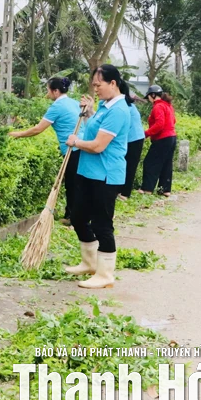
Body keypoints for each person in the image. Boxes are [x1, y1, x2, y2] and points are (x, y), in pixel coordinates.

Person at [64, 64, 131, 289]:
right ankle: (89, 263)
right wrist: (89, 113)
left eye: (98, 85)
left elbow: (98, 145)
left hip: (105, 175)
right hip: (88, 171)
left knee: (102, 224)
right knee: (79, 216)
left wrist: (75, 142)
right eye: (93, 85)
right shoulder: (104, 106)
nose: (95, 89)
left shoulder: (119, 110)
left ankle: (105, 274)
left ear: (113, 83)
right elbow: (94, 128)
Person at [9, 76, 82, 225]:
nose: (47, 93)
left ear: (55, 91)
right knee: (79, 183)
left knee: (72, 184)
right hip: (81, 145)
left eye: (48, 90)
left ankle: (72, 218)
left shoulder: (57, 106)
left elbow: (38, 129)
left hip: (72, 150)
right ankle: (76, 215)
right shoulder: (74, 103)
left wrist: (18, 134)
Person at [138, 85, 177, 197]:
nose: (149, 99)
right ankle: (164, 190)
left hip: (162, 138)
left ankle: (147, 189)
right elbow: (173, 120)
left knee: (150, 162)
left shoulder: (158, 106)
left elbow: (159, 124)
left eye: (149, 96)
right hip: (172, 137)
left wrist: (146, 133)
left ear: (153, 95)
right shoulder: (168, 106)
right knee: (166, 164)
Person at [118, 95, 145, 200]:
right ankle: (121, 190)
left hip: (134, 139)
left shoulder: (125, 107)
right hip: (135, 137)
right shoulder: (129, 105)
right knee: (127, 165)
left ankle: (125, 193)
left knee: (129, 166)